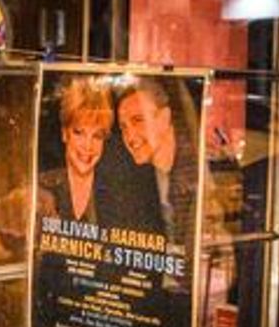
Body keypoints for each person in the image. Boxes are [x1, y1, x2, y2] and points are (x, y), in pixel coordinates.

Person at [116, 77, 196, 242]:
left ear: (165, 117)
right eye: (123, 127)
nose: (130, 136)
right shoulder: (139, 178)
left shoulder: (194, 174)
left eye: (138, 120)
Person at [39, 78, 114, 222]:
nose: (88, 146)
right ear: (64, 133)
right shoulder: (41, 186)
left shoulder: (117, 191)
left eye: (97, 136)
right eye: (79, 132)